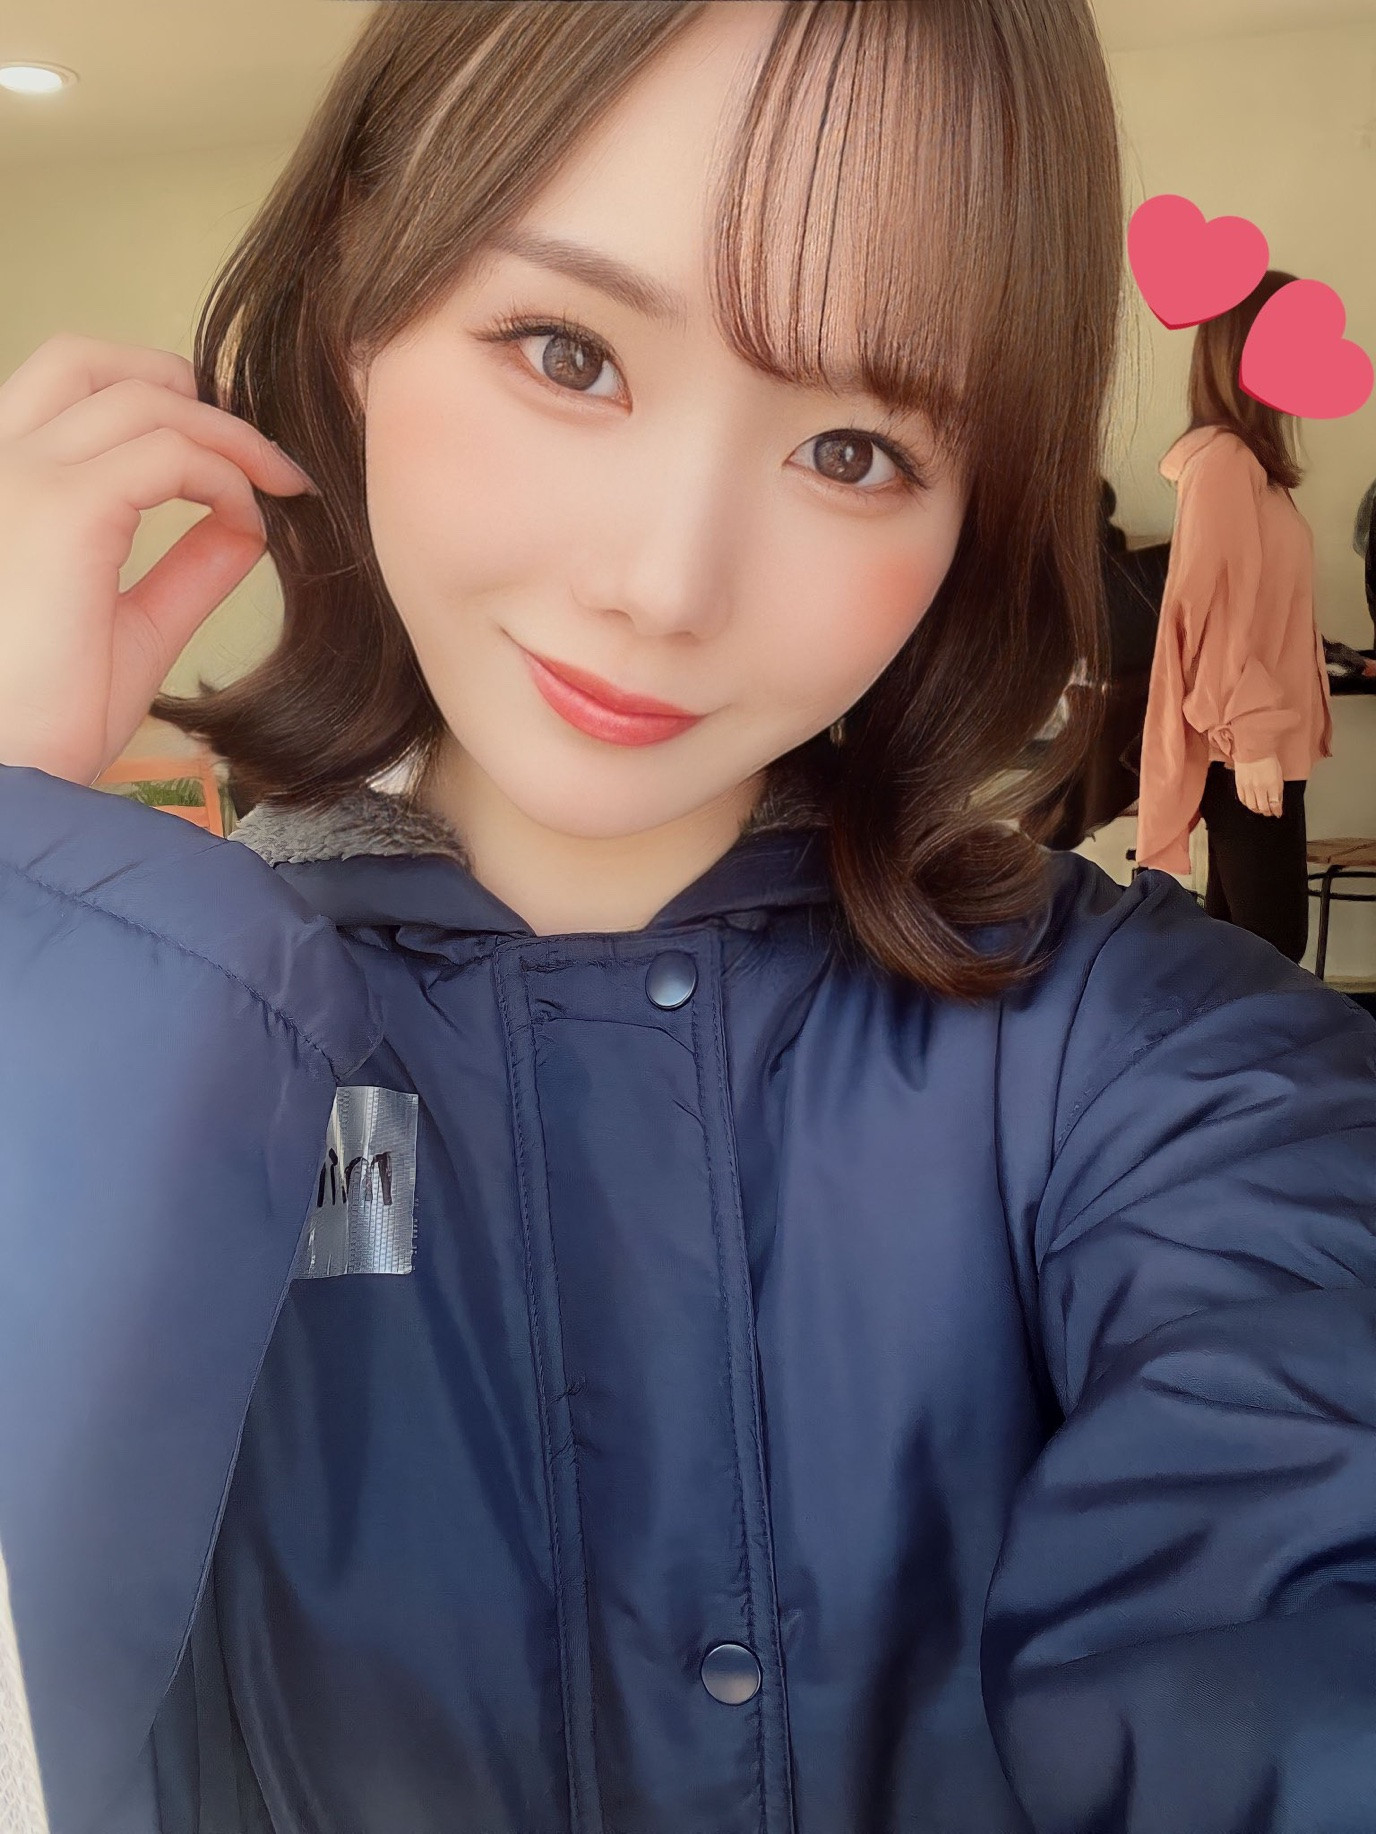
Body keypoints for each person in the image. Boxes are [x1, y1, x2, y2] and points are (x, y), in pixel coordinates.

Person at [0, 6, 1373, 1833]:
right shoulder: (119, 1039)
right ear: (352, 310)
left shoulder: (1154, 1064)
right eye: (567, 352)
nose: (666, 583)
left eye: (857, 450)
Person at [1135, 271, 1333, 960]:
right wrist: (1250, 741)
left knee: (1241, 948)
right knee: (1271, 949)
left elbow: (1260, 606)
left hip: (1259, 738)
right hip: (1245, 743)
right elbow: (1212, 616)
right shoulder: (1224, 463)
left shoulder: (1248, 465)